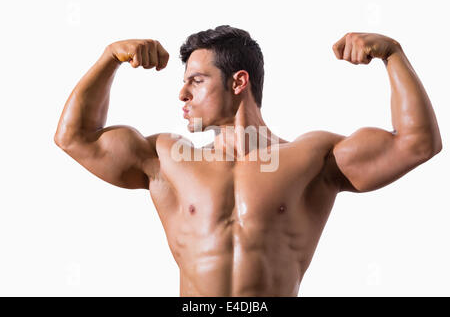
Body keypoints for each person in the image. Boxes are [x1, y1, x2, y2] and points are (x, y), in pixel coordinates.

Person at [54, 25, 442, 296]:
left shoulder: (310, 157)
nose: (182, 95)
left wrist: (392, 53)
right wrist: (110, 58)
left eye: (196, 80)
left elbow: (416, 143)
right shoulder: (166, 158)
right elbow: (74, 137)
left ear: (238, 82)